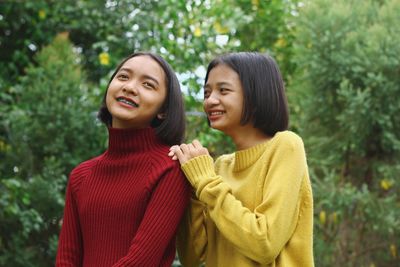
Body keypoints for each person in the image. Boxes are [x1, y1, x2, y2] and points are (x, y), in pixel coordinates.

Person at [169, 52, 314, 267]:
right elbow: (191, 257)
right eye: (206, 92)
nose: (210, 100)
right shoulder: (219, 167)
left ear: (257, 95)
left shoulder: (285, 146)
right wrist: (193, 187)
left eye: (223, 90)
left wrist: (205, 182)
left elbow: (264, 243)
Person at [56, 52, 191, 266]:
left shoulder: (171, 167)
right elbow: (66, 259)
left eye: (148, 85)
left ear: (163, 110)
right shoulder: (81, 175)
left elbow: (141, 261)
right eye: (123, 77)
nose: (129, 87)